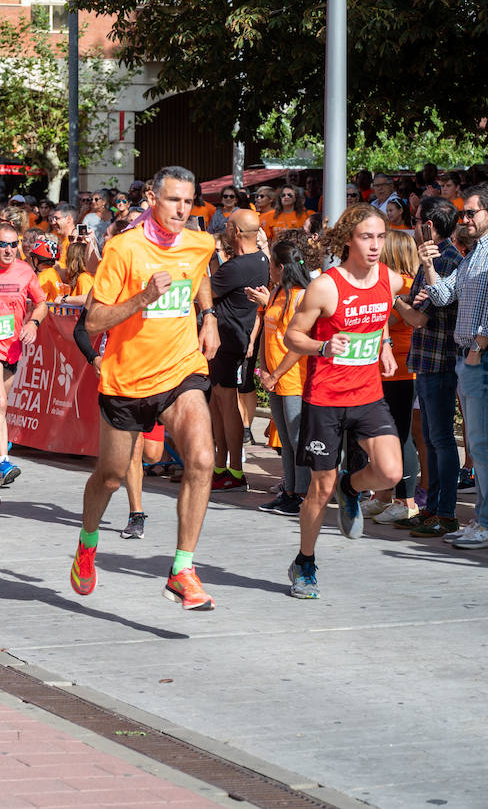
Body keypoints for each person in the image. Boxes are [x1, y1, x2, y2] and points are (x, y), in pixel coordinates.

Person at [71, 167, 220, 610]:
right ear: (153, 198)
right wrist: (142, 300)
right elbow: (94, 321)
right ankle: (87, 541)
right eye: (173, 200)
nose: (181, 210)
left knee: (202, 458)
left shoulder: (200, 242)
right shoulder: (123, 249)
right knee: (112, 476)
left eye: (188, 202)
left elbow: (199, 275)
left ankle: (182, 569)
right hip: (127, 379)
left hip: (181, 371)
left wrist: (208, 316)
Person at [283, 204, 405, 598]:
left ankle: (352, 489)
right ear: (349, 240)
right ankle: (305, 562)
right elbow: (292, 337)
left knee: (390, 473)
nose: (375, 245)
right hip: (326, 399)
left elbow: (380, 310)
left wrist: (384, 342)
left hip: (368, 394)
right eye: (367, 237)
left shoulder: (390, 278)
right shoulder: (326, 287)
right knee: (320, 487)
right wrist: (323, 345)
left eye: (380, 237)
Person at [417, 184, 488, 548]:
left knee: (483, 444)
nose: (465, 219)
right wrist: (427, 263)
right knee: (476, 442)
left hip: (482, 358)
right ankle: (484, 519)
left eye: (470, 212)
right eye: (462, 214)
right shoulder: (474, 253)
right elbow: (443, 296)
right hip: (470, 359)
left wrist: (479, 345)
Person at [391, 199, 463, 537]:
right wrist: (407, 303)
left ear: (430, 226)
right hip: (427, 360)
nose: (413, 226)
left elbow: (418, 317)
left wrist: (394, 299)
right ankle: (433, 508)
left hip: (440, 361)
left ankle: (445, 512)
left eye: (418, 220)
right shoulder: (431, 258)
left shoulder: (447, 260)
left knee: (441, 440)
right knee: (433, 440)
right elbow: (416, 306)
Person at [0, 220, 48, 500]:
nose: (9, 250)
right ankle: (3, 463)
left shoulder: (25, 271)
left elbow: (41, 303)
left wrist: (33, 323)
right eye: (3, 244)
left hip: (12, 350)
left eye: (14, 244)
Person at [206, 210, 269, 491]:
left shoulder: (238, 266)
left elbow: (206, 288)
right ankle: (221, 466)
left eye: (228, 226)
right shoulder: (261, 260)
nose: (225, 230)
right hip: (234, 338)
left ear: (235, 232)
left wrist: (205, 258)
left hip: (227, 340)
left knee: (226, 404)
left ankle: (235, 469)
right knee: (218, 404)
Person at [253, 239, 311, 516]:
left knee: (298, 438)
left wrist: (275, 373)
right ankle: (289, 491)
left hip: (293, 379)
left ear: (281, 267)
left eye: (272, 264)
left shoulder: (302, 297)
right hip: (274, 378)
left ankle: (302, 494)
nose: (269, 269)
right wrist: (265, 370)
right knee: (285, 440)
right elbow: (268, 333)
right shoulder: (276, 292)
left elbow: (299, 345)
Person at [368, 230, 422, 524]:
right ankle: (383, 495)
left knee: (400, 435)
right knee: (383, 435)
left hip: (401, 369)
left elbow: (385, 320)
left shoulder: (407, 285)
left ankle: (406, 501)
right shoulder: (386, 284)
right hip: (381, 369)